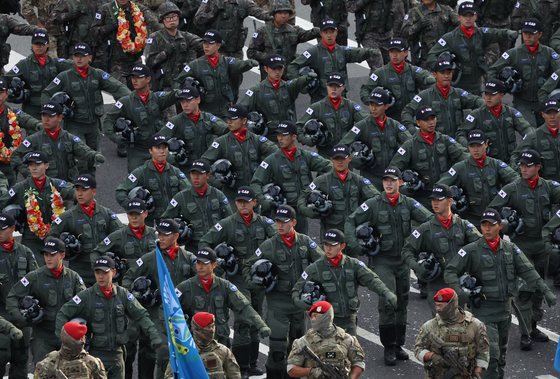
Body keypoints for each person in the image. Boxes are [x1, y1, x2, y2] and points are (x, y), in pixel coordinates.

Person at [444, 208, 557, 379]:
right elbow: (450, 271)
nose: (487, 229)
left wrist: (546, 291)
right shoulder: (471, 250)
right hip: (484, 313)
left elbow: (528, 271)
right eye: (484, 225)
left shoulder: (511, 249)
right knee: (491, 359)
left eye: (491, 225)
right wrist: (461, 293)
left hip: (505, 312)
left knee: (501, 360)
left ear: (500, 226)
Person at [344, 167, 432, 364]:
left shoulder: (408, 203)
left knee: (402, 303)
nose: (388, 183)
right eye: (385, 180)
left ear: (400, 182)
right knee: (387, 303)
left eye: (393, 180)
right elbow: (351, 221)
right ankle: (388, 347)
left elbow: (429, 220)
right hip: (382, 261)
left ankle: (399, 344)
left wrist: (420, 242)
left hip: (402, 261)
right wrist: (357, 246)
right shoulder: (373, 204)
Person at [198, 186, 276, 377]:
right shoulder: (227, 224)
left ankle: (252, 362)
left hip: (258, 277)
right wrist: (222, 258)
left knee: (256, 315)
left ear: (254, 203)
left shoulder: (264, 223)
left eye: (246, 201)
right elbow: (204, 244)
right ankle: (241, 366)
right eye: (239, 202)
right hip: (239, 276)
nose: (242, 205)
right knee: (243, 319)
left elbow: (278, 240)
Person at [488, 149, 560, 350]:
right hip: (522, 246)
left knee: (538, 288)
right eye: (521, 165)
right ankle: (525, 332)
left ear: (538, 167)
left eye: (528, 166)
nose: (523, 169)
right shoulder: (512, 189)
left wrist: (555, 226)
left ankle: (533, 325)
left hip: (543, 246)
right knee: (525, 290)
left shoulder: (548, 187)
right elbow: (492, 211)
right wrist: (509, 224)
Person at [243, 205, 324, 378]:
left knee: (297, 348)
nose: (280, 225)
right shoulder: (269, 245)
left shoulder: (305, 242)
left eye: (284, 222)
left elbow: (323, 263)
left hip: (299, 303)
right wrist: (255, 282)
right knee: (277, 348)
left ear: (294, 222)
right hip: (278, 302)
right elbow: (248, 265)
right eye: (277, 221)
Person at [56, 256, 162, 379]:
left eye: (105, 273)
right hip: (94, 357)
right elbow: (63, 313)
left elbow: (141, 315)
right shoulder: (86, 296)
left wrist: (153, 335)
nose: (101, 276)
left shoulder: (122, 295)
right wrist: (65, 341)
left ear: (114, 272)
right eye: (97, 272)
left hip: (117, 357)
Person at [175, 248, 271, 377]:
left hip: (220, 344)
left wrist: (260, 325)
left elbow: (243, 307)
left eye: (204, 263)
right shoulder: (185, 288)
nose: (200, 266)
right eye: (198, 263)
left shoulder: (225, 286)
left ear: (214, 265)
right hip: (195, 346)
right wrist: (170, 334)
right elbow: (168, 310)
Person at [121, 219, 197, 379]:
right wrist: (137, 297)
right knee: (156, 351)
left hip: (179, 312)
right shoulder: (149, 258)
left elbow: (198, 282)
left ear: (176, 236)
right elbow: (128, 279)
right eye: (159, 234)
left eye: (165, 235)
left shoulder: (188, 258)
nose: (160, 238)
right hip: (155, 311)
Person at [41, 42, 131, 176]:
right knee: (80, 162)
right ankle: (78, 192)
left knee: (92, 161)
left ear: (90, 58)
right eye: (76, 56)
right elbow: (46, 94)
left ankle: (89, 191)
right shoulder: (65, 76)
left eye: (82, 56)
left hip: (94, 126)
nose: (79, 59)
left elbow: (118, 88)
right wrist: (53, 113)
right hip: (75, 126)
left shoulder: (97, 74)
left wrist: (132, 99)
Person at [292, 229, 396, 344]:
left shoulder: (353, 264)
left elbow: (372, 280)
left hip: (348, 321)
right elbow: (297, 289)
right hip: (326, 322)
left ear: (342, 246)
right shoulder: (315, 268)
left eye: (333, 245)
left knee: (351, 354)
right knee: (328, 355)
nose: (328, 248)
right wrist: (298, 301)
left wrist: (386, 292)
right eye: (326, 245)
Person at [401, 184, 482, 314]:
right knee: (441, 326)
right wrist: (417, 267)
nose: (435, 203)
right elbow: (406, 251)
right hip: (437, 284)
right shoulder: (426, 229)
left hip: (459, 284)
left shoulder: (463, 225)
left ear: (450, 201)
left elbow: (481, 246)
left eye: (439, 200)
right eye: (433, 200)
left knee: (459, 326)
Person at [6, 239, 86, 364]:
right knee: (43, 372)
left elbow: (84, 304)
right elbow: (12, 297)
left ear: (62, 255)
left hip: (67, 336)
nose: (48, 258)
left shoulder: (73, 277)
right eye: (46, 255)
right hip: (43, 336)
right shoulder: (35, 277)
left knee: (71, 372)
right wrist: (21, 319)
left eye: (52, 255)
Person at [251, 121, 332, 233]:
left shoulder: (305, 156)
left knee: (302, 246)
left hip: (301, 213)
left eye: (284, 135)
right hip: (281, 213)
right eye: (278, 135)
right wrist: (262, 200)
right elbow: (255, 182)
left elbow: (330, 167)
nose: (280, 138)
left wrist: (318, 186)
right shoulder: (272, 160)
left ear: (294, 137)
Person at [0, 150, 75, 266]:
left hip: (54, 237)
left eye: (38, 164)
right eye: (30, 165)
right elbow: (2, 202)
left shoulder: (55, 185)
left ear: (47, 165)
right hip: (31, 240)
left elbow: (76, 192)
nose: (33, 168)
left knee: (54, 272)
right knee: (36, 269)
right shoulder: (21, 188)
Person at [426, 1, 518, 96]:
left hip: (476, 87)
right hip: (459, 88)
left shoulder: (481, 34)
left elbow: (496, 33)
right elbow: (431, 55)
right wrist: (443, 69)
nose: (468, 18)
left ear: (476, 16)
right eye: (465, 15)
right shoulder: (450, 38)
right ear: (458, 17)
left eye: (471, 15)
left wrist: (507, 33)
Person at [46, 174, 123, 286]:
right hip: (79, 271)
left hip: (102, 269)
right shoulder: (68, 216)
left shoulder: (105, 214)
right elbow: (50, 237)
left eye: (84, 190)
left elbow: (121, 233)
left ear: (94, 191)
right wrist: (62, 250)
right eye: (77, 190)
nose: (80, 193)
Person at [104, 65, 180, 171]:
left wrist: (182, 92)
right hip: (138, 152)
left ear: (148, 79)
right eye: (133, 77)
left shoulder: (157, 98)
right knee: (136, 183)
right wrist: (114, 137)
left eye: (139, 77)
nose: (135, 80)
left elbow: (173, 95)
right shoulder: (126, 101)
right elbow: (108, 120)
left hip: (158, 149)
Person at [390, 106, 469, 209]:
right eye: (426, 120)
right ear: (418, 123)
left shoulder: (445, 140)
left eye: (432, 118)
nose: (431, 122)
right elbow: (393, 170)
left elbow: (464, 156)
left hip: (443, 195)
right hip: (421, 198)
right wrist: (405, 185)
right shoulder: (410, 145)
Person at [437, 129, 520, 227]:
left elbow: (516, 180)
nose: (475, 150)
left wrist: (505, 197)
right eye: (472, 146)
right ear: (468, 147)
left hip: (493, 217)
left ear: (486, 145)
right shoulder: (460, 167)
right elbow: (439, 187)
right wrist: (453, 197)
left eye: (479, 146)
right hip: (472, 219)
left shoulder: (496, 164)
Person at [488, 18, 560, 128]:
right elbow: (493, 70)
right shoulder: (513, 54)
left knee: (548, 133)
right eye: (525, 33)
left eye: (531, 33)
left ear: (540, 34)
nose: (527, 36)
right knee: (530, 131)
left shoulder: (549, 53)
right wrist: (498, 90)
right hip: (522, 103)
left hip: (544, 102)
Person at [193, 0, 271, 101]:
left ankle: (231, 109)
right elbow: (197, 20)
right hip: (216, 50)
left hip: (235, 51)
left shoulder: (243, 3)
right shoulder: (212, 2)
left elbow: (261, 14)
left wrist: (277, 14)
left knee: (235, 83)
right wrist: (213, 12)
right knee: (215, 83)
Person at [287, 18, 378, 103]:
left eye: (332, 32)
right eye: (326, 32)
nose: (329, 35)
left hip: (341, 97)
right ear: (321, 33)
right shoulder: (314, 52)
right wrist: (300, 85)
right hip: (321, 99)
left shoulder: (341, 50)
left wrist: (369, 52)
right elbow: (293, 66)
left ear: (336, 32)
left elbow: (356, 53)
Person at [172, 30, 259, 119]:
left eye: (210, 43)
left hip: (224, 112)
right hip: (205, 113)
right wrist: (179, 92)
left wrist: (249, 63)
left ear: (218, 45)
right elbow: (178, 81)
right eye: (204, 43)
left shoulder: (225, 62)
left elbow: (239, 64)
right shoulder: (195, 65)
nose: (206, 46)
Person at [201, 104, 278, 203]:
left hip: (253, 196)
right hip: (232, 197)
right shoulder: (221, 142)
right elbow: (203, 164)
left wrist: (264, 171)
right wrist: (213, 180)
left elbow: (276, 153)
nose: (229, 121)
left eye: (233, 119)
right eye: (228, 118)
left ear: (244, 120)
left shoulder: (256, 140)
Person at [11, 102, 104, 183]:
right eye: (44, 115)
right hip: (45, 187)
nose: (46, 119)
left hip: (67, 185)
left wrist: (95, 155)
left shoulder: (68, 138)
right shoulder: (34, 139)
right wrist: (26, 173)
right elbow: (15, 155)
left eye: (51, 116)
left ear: (60, 118)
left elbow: (84, 151)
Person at [297, 144, 379, 236]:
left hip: (354, 233)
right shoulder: (322, 181)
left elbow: (377, 198)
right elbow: (303, 196)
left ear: (350, 159)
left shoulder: (359, 181)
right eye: (336, 159)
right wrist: (306, 210)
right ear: (331, 160)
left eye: (343, 158)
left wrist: (365, 214)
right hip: (331, 234)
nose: (340, 162)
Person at [340, 88, 412, 190]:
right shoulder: (362, 125)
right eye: (371, 104)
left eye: (377, 105)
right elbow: (343, 146)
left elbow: (410, 143)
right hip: (371, 177)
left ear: (386, 106)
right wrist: (355, 156)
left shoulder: (395, 125)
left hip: (391, 177)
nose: (373, 108)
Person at [414, 288, 489, 379]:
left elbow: (483, 351)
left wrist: (477, 372)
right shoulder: (430, 326)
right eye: (436, 305)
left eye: (441, 306)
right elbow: (418, 349)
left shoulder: (474, 325)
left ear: (452, 304)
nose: (438, 309)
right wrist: (431, 356)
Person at [115, 134, 191, 224]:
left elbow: (188, 192)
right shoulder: (141, 172)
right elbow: (120, 192)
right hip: (151, 223)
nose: (162, 151)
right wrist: (134, 208)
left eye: (164, 147)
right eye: (158, 148)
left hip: (172, 221)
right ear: (150, 151)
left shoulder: (175, 172)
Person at [400, 58, 485, 137]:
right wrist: (413, 132)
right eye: (442, 73)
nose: (446, 76)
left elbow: (477, 101)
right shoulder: (425, 96)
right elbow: (407, 112)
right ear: (435, 74)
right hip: (436, 143)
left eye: (449, 72)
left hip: (457, 141)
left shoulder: (458, 93)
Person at [456, 79, 534, 165]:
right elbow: (460, 134)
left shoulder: (511, 113)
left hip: (510, 162)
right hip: (489, 163)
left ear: (501, 96)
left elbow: (527, 130)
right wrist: (472, 148)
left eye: (492, 94)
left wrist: (523, 149)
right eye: (486, 94)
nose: (488, 97)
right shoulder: (476, 115)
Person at [162, 159, 233, 252]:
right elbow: (165, 220)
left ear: (208, 175)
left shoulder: (218, 195)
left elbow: (230, 220)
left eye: (199, 174)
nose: (195, 177)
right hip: (193, 248)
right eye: (192, 173)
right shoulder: (181, 197)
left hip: (216, 247)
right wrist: (179, 228)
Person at [359, 38, 435, 121]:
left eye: (398, 51)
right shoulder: (380, 73)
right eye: (392, 52)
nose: (394, 55)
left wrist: (430, 79)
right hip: (389, 120)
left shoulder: (412, 70)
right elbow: (365, 90)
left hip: (410, 118)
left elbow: (426, 75)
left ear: (406, 53)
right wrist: (374, 102)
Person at [240, 54, 318, 136]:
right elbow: (241, 111)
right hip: (269, 137)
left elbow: (298, 82)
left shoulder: (288, 87)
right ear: (266, 69)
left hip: (288, 135)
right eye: (274, 68)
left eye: (280, 69)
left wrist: (307, 78)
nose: (277, 72)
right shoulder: (256, 91)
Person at [0, 213, 38, 379]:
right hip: (1, 318)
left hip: (22, 318)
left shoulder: (26, 253)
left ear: (13, 229)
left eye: (2, 229)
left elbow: (36, 281)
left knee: (21, 361)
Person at [296, 72, 369, 159]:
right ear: (326, 86)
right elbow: (298, 126)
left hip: (344, 156)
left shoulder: (351, 106)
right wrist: (306, 140)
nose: (333, 89)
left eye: (337, 86)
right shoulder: (317, 107)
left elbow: (367, 121)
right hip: (325, 156)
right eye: (331, 86)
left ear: (343, 87)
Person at [286, 301, 365, 379]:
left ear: (327, 316)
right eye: (312, 317)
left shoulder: (347, 339)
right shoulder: (304, 341)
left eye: (316, 316)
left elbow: (359, 362)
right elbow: (291, 369)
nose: (313, 320)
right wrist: (311, 371)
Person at [91, 0, 161, 86]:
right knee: (122, 93)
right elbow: (94, 32)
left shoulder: (138, 8)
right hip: (116, 63)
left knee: (140, 93)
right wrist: (108, 27)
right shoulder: (105, 9)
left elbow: (155, 24)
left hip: (136, 61)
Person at [145, 2, 203, 106]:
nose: (171, 20)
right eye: (167, 17)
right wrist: (164, 53)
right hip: (164, 88)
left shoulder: (185, 36)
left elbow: (201, 44)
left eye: (174, 16)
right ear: (162, 20)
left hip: (183, 86)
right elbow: (149, 62)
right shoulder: (155, 38)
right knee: (170, 119)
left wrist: (214, 41)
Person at [158, 86, 228, 171]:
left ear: (198, 100)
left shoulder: (207, 118)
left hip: (206, 168)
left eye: (188, 101)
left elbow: (226, 130)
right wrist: (171, 157)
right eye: (182, 101)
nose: (185, 105)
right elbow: (158, 141)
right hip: (186, 169)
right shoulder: (176, 121)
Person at [3, 32, 71, 120]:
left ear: (48, 44)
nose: (39, 47)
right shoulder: (24, 65)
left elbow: (75, 66)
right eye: (36, 44)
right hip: (32, 110)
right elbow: (5, 79)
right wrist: (11, 93)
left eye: (42, 44)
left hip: (51, 110)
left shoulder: (55, 63)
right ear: (32, 45)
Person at [247, 0, 319, 79]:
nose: (283, 16)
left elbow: (307, 35)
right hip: (271, 78)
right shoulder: (263, 31)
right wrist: (269, 57)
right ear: (273, 14)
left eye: (286, 13)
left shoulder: (294, 30)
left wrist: (319, 30)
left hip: (290, 76)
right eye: (280, 13)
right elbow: (251, 52)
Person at [164, 312, 241, 379]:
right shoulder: (183, 353)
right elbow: (170, 376)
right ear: (198, 329)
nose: (211, 330)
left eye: (213, 326)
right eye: (208, 327)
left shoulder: (223, 351)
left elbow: (235, 376)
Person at [90, 198, 157, 269]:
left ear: (145, 213)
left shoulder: (155, 235)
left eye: (137, 214)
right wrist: (101, 270)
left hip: (153, 278)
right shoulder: (118, 236)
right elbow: (96, 252)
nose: (134, 217)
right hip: (128, 278)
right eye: (131, 214)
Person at [0, 79, 43, 186]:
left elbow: (27, 120)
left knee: (9, 195)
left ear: (6, 94)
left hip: (8, 165)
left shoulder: (13, 113)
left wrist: (39, 125)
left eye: (0, 92)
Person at [34, 321, 106, 379]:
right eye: (78, 338)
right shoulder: (48, 365)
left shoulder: (93, 363)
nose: (82, 341)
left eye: (82, 338)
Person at [346, 0, 405, 70]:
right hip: (369, 36)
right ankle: (376, 80)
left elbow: (401, 13)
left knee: (393, 67)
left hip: (388, 35)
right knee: (377, 67)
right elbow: (350, 6)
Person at [400, 0, 459, 69]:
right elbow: (404, 33)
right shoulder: (415, 12)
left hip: (444, 59)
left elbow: (462, 25)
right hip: (423, 62)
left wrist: (451, 37)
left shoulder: (446, 10)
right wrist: (418, 26)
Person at [511, 99, 560, 182]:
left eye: (555, 112)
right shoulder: (534, 136)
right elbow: (515, 156)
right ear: (543, 114)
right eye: (548, 113)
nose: (552, 116)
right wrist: (525, 173)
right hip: (546, 184)